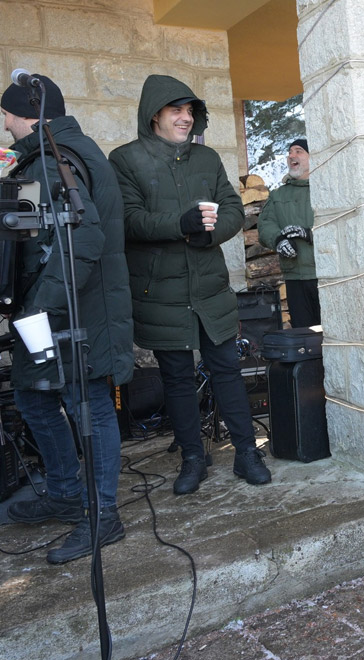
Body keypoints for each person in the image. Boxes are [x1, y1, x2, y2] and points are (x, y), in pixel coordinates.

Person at [110, 75, 271, 495]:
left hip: (209, 288)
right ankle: (193, 458)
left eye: (189, 111)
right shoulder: (125, 160)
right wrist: (179, 225)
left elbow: (232, 208)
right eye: (175, 110)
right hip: (160, 293)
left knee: (227, 372)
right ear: (154, 115)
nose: (184, 118)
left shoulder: (207, 158)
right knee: (177, 379)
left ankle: (246, 453)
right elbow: (128, 220)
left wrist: (210, 234)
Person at [1, 76, 132, 564]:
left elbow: (85, 240)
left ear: (26, 115)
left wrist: (39, 306)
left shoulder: (59, 159)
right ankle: (63, 493)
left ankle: (103, 514)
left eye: (7, 116)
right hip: (55, 308)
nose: (6, 126)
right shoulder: (51, 155)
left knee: (90, 407)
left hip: (74, 312)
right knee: (33, 399)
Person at [258, 138, 320, 327]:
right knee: (305, 336)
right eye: (290, 152)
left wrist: (310, 234)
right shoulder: (278, 195)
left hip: (325, 274)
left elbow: (339, 222)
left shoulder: (325, 189)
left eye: (298, 151)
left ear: (312, 157)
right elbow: (265, 225)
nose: (292, 155)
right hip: (295, 277)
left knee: (335, 334)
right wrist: (279, 240)